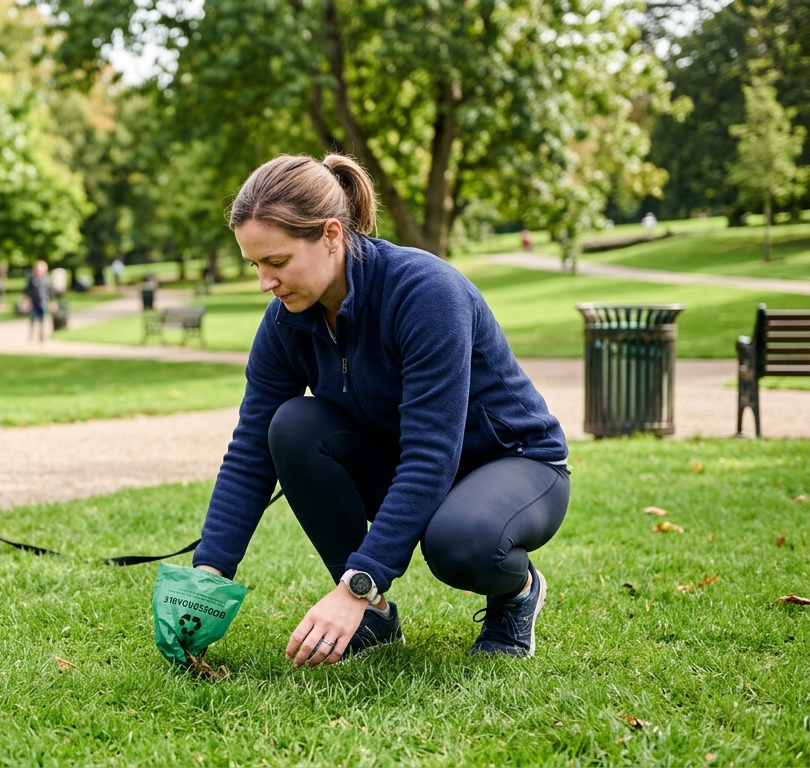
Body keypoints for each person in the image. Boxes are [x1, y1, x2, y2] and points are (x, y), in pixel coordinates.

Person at [193, 154, 569, 667]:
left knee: (460, 542)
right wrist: (206, 574)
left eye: (277, 262)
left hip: (514, 463)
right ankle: (374, 615)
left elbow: (431, 454)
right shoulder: (285, 322)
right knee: (293, 426)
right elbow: (250, 450)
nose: (265, 282)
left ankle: (515, 592)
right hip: (411, 460)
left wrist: (358, 581)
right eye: (254, 264)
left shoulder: (425, 292)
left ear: (330, 234)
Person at [24, 260, 51, 343]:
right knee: (32, 318)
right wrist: (26, 300)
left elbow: (49, 290)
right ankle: (31, 335)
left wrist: (51, 300)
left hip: (42, 301)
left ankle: (41, 335)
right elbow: (27, 290)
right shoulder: (32, 279)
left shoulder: (45, 279)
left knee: (42, 319)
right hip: (34, 301)